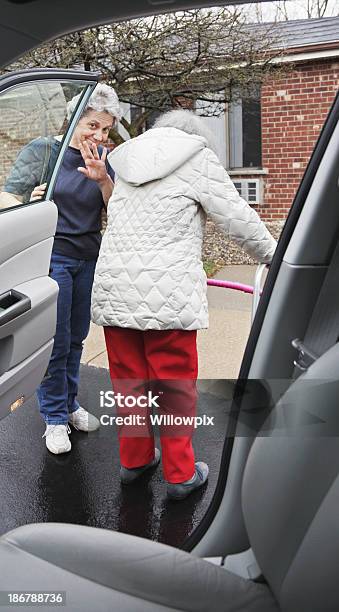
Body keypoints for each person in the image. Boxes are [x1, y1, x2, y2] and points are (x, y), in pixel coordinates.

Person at [91, 109, 277, 500]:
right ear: (195, 137)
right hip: (168, 292)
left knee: (128, 381)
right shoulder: (197, 157)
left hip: (116, 286)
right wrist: (276, 257)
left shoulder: (126, 157)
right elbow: (238, 217)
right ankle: (179, 474)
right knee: (174, 384)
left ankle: (135, 459)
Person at [1, 83, 122, 454]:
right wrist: (31, 199)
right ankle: (53, 418)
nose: (98, 135)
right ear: (72, 120)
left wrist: (103, 179)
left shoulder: (102, 157)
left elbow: (115, 208)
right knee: (55, 341)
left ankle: (69, 405)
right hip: (53, 257)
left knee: (75, 338)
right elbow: (7, 196)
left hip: (88, 256)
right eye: (91, 126)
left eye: (104, 129)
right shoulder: (44, 152)